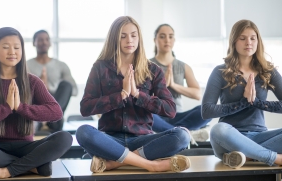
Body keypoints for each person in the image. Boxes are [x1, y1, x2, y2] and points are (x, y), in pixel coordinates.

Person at [76, 16, 191, 173]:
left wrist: (138, 95)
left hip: (142, 139)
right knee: (83, 132)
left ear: (139, 38)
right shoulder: (100, 67)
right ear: (114, 39)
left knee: (182, 136)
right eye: (123, 36)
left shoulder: (153, 70)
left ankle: (115, 163)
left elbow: (170, 110)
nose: (129, 40)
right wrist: (121, 95)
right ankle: (151, 165)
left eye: (133, 35)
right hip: (110, 140)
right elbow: (85, 108)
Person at [0, 27, 73, 181]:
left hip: (26, 147)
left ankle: (5, 171)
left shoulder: (32, 81)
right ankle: (33, 167)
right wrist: (6, 108)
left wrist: (20, 107)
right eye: (6, 47)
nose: (12, 52)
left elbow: (56, 112)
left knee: (65, 138)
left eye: (16, 47)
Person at [202, 19, 282, 168]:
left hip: (259, 137)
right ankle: (272, 157)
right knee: (217, 129)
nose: (248, 43)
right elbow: (206, 111)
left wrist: (257, 102)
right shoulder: (221, 72)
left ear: (258, 41)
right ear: (234, 41)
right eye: (242, 38)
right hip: (229, 138)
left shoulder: (268, 71)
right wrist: (243, 103)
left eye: (252, 38)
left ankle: (248, 155)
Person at [150, 24, 211, 143]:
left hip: (178, 115)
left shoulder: (183, 66)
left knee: (207, 110)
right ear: (155, 40)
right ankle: (187, 133)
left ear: (174, 40)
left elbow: (197, 94)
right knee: (141, 112)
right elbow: (140, 96)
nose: (167, 40)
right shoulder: (146, 65)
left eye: (170, 36)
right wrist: (161, 87)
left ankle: (172, 132)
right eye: (162, 36)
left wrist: (173, 85)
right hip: (156, 115)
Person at [27, 30, 78, 133]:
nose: (44, 42)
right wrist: (39, 87)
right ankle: (41, 119)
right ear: (34, 43)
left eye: (47, 39)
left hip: (55, 114)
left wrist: (48, 89)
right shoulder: (26, 65)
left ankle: (50, 117)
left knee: (66, 85)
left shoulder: (61, 65)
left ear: (50, 43)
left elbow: (74, 90)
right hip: (36, 111)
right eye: (40, 40)